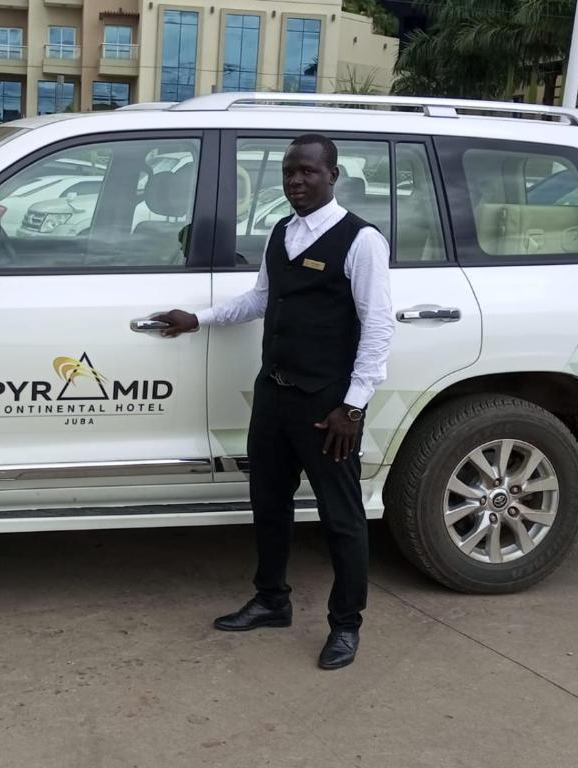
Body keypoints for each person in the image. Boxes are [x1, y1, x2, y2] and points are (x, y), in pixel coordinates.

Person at [154, 134, 393, 670]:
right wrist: (199, 319)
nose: (296, 181)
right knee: (268, 503)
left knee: (341, 517)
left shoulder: (360, 241)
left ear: (333, 176)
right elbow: (260, 299)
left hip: (328, 405)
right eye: (289, 172)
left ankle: (346, 624)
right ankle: (271, 600)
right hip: (274, 394)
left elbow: (379, 327)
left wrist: (352, 406)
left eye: (308, 171)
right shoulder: (282, 232)